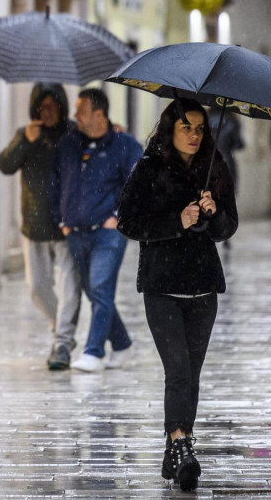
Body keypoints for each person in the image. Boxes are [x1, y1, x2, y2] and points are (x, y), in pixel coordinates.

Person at [117, 98, 237, 492]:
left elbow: (226, 228)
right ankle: (182, 444)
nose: (194, 135)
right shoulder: (149, 168)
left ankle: (175, 447)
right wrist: (177, 221)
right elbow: (128, 221)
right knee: (178, 371)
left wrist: (212, 212)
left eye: (200, 129)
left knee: (192, 375)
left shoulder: (214, 168)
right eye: (186, 127)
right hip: (162, 286)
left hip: (203, 287)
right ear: (171, 127)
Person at [51, 87, 142, 373]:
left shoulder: (125, 145)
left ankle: (93, 352)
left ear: (99, 114)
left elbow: (138, 185)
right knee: (93, 291)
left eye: (81, 111)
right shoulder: (69, 144)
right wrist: (61, 220)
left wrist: (118, 216)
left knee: (101, 286)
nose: (75, 116)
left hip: (108, 232)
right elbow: (54, 184)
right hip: (75, 232)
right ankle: (123, 344)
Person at [0, 83, 81, 370]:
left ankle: (62, 343)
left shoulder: (73, 132)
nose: (48, 113)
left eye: (53, 106)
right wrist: (25, 142)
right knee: (37, 286)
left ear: (62, 107)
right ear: (35, 109)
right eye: (43, 107)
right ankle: (60, 327)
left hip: (68, 222)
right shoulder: (26, 134)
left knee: (70, 284)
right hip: (34, 222)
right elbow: (5, 165)